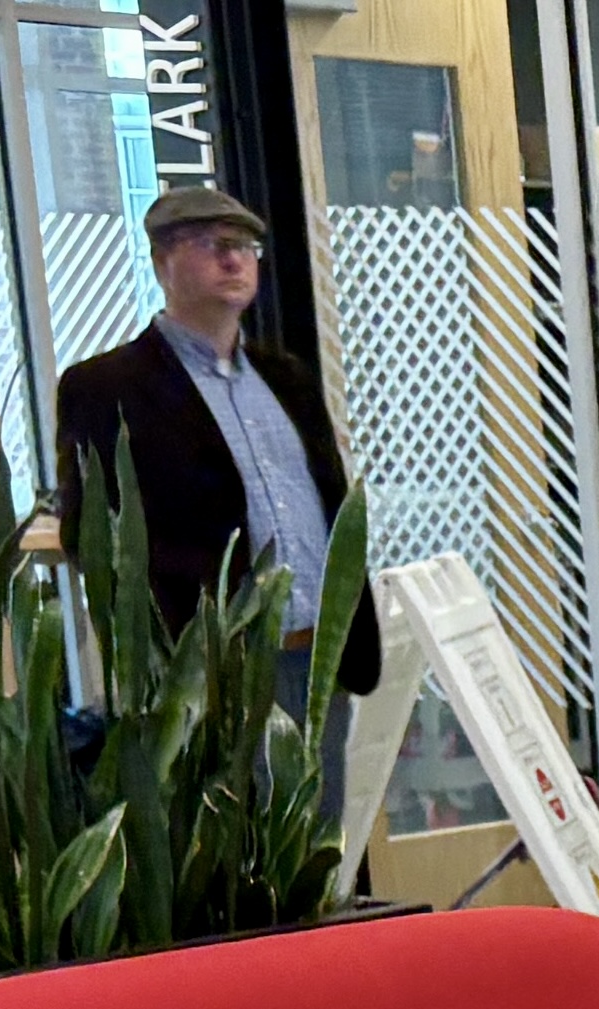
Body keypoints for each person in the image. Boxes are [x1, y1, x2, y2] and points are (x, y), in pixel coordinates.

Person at [53, 186, 378, 793]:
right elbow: (89, 541)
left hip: (318, 659)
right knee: (236, 869)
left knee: (315, 852)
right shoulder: (106, 387)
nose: (236, 261)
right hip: (213, 675)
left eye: (247, 246)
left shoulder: (287, 379)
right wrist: (173, 654)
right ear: (162, 262)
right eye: (214, 245)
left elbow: (328, 507)